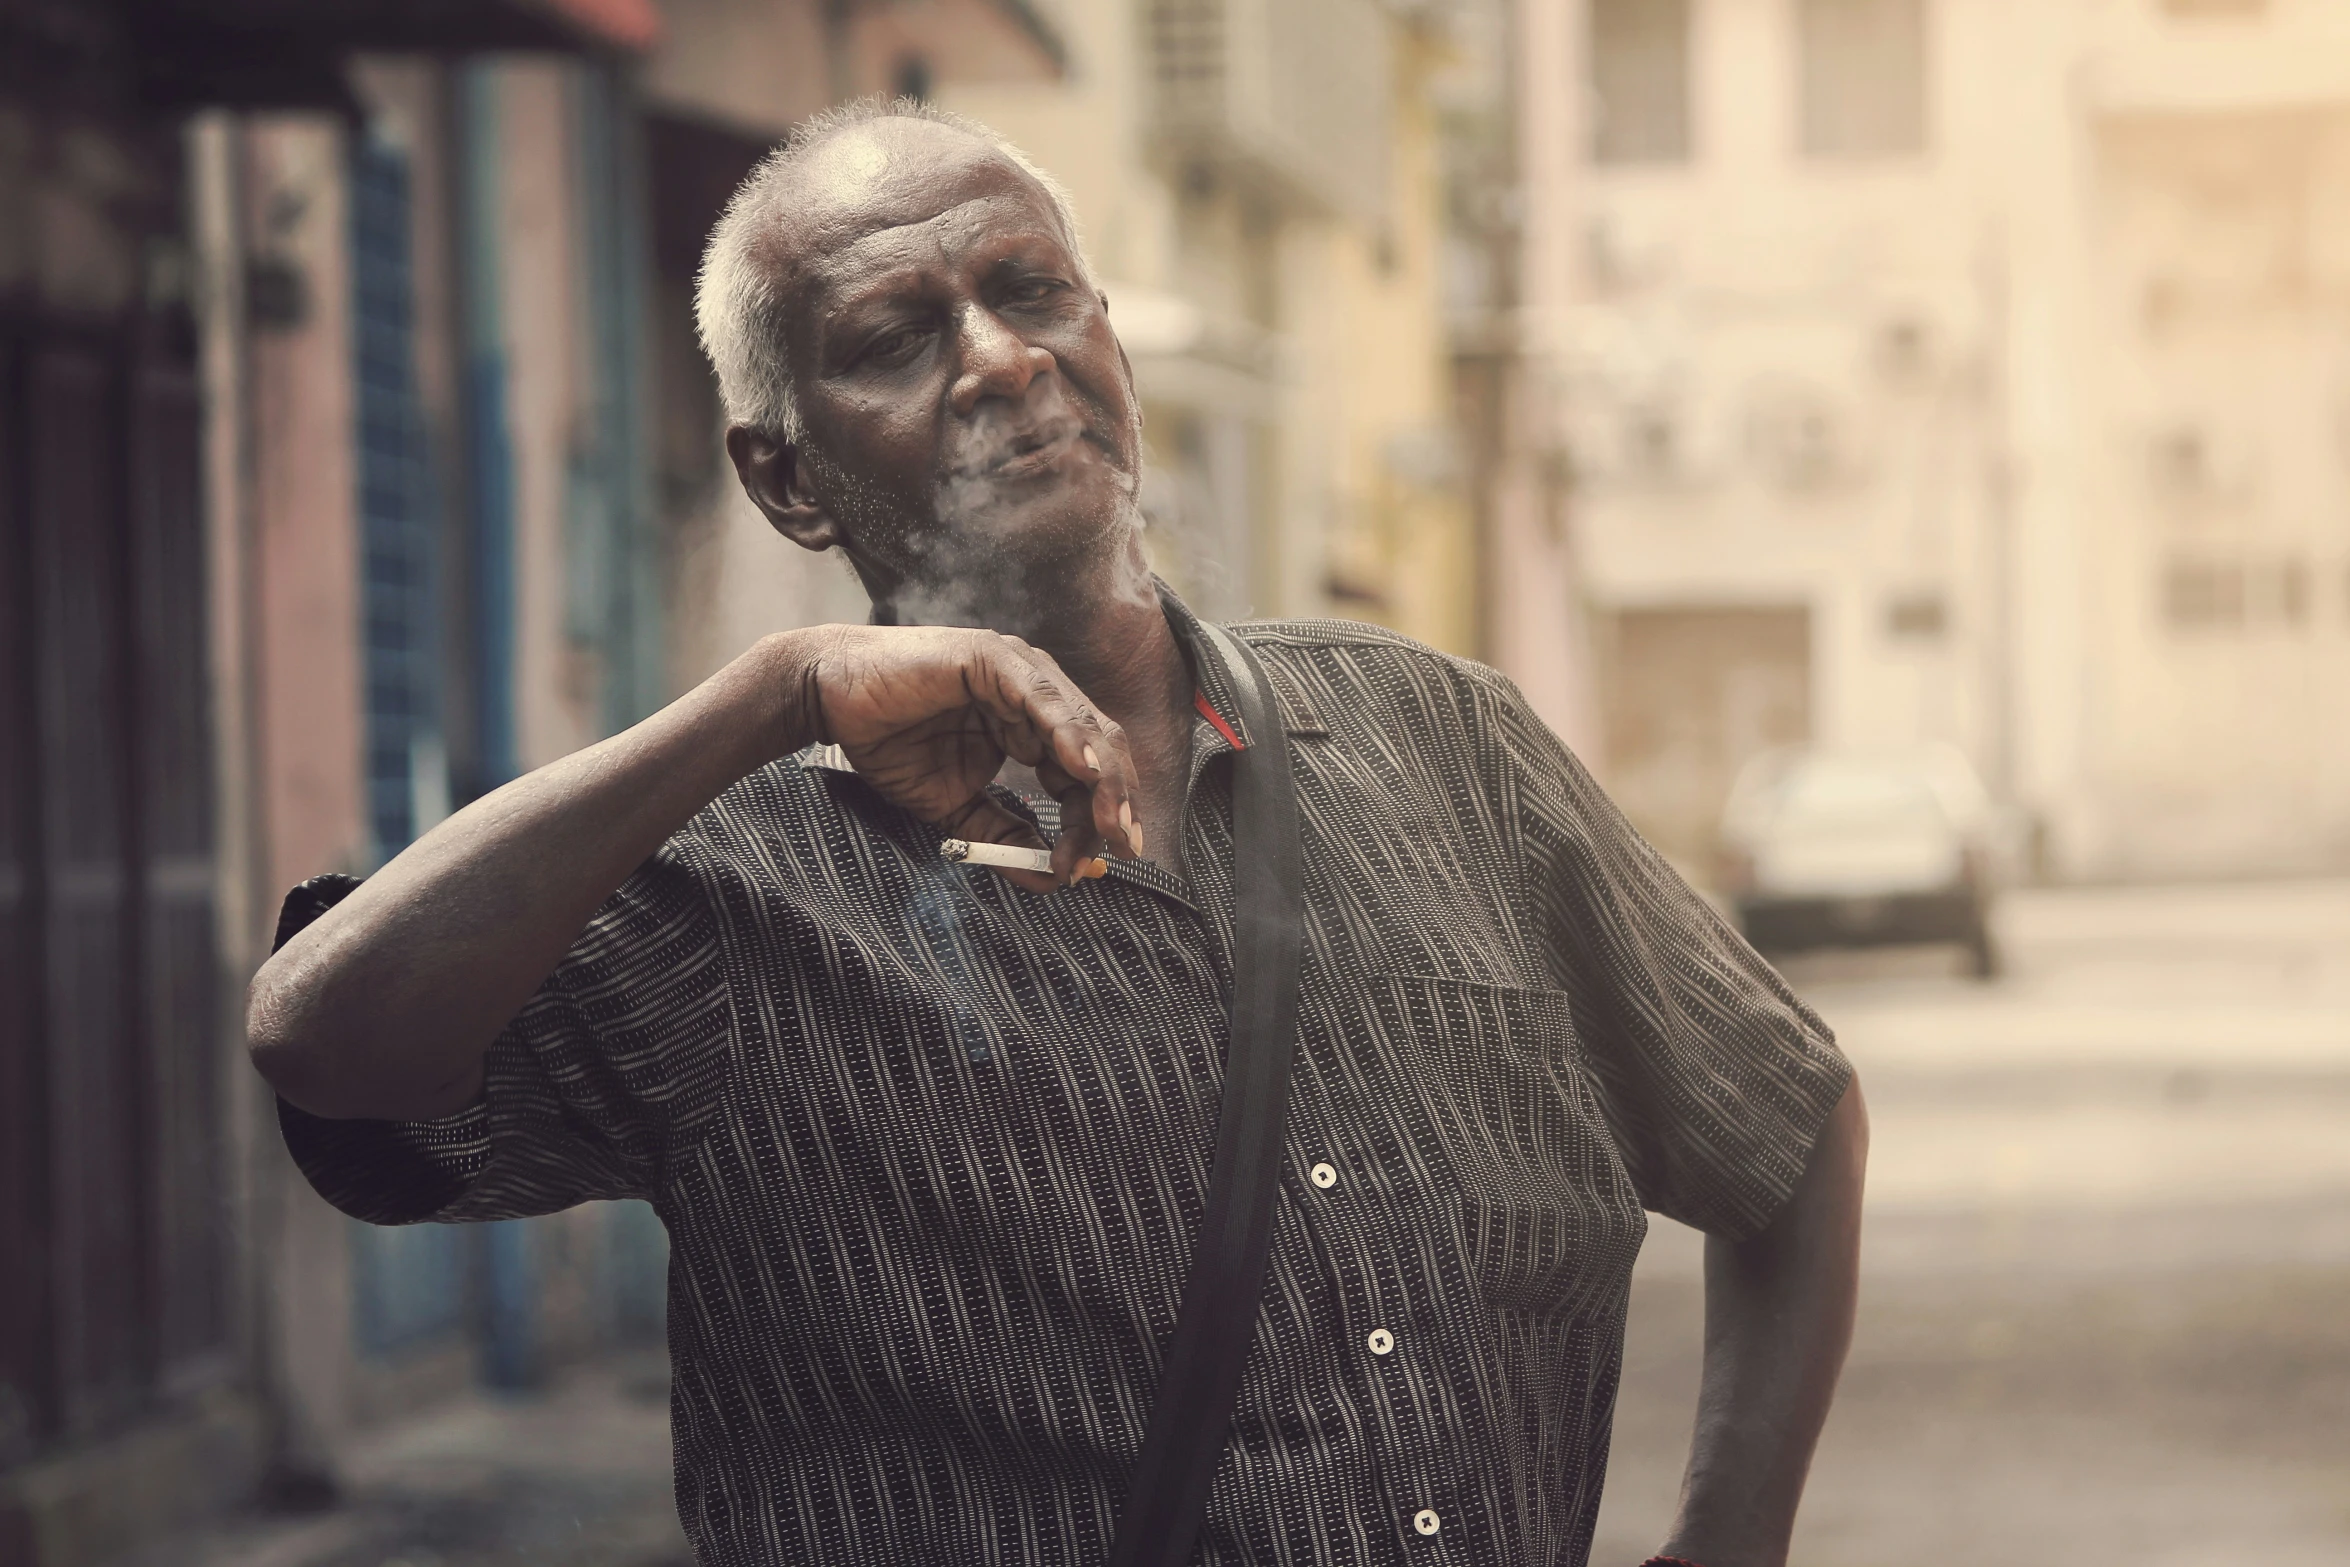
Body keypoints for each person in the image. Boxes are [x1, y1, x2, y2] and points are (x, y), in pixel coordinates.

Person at [247, 99, 1865, 1567]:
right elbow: (324, 1044)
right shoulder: (732, 899)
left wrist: (1725, 1542)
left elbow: (1786, 1126)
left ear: (1114, 357)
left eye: (1030, 293)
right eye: (894, 334)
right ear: (786, 478)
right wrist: (775, 689)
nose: (1000, 359)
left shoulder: (1441, 745)